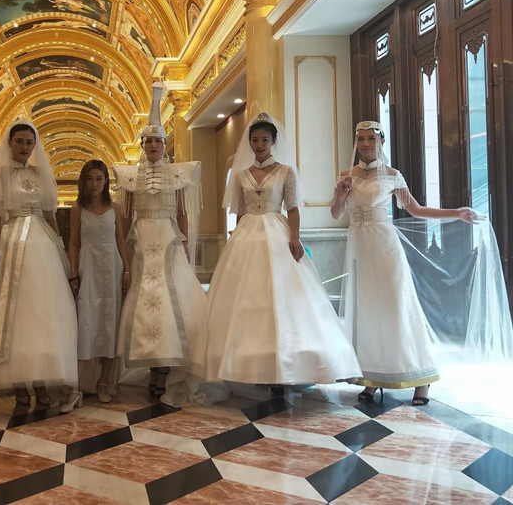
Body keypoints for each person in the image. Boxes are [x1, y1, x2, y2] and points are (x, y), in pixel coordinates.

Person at [206, 113, 361, 390]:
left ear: (274, 141)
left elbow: (292, 208)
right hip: (246, 234)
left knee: (282, 295)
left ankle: (287, 361)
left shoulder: (286, 171)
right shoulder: (241, 175)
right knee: (247, 296)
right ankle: (251, 362)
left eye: (264, 140)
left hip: (277, 232)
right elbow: (240, 211)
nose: (259, 145)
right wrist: (235, 238)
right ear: (249, 143)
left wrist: (295, 237)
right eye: (255, 140)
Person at [331, 120, 480, 406]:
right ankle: (372, 376)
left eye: (371, 139)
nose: (365, 144)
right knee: (367, 312)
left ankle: (421, 378)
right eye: (361, 139)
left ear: (381, 142)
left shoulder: (392, 175)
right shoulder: (345, 175)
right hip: (358, 247)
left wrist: (456, 212)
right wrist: (340, 195)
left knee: (397, 308)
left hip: (385, 246)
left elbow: (416, 209)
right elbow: (337, 213)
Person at [0, 119, 77, 415]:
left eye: (29, 142)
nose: (25, 147)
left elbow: (50, 215)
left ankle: (42, 385)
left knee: (40, 315)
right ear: (10, 143)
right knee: (13, 315)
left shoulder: (41, 174)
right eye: (20, 141)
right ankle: (20, 391)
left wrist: (60, 248)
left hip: (43, 245)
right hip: (11, 242)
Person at [112, 83, 207, 405]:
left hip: (169, 242)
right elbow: (125, 218)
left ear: (165, 145)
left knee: (170, 302)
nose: (153, 145)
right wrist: (124, 256)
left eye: (158, 141)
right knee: (143, 303)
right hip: (141, 243)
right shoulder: (129, 177)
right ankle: (150, 363)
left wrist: (185, 245)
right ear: (142, 145)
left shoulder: (178, 175)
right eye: (148, 141)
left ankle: (165, 367)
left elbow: (182, 213)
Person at [62, 160, 129, 412]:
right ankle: (74, 388)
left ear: (106, 181)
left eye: (99, 178)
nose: (94, 184)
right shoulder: (77, 208)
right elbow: (73, 242)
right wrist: (73, 273)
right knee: (85, 323)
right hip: (88, 267)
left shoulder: (115, 208)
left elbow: (121, 241)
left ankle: (104, 381)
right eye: (89, 179)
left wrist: (127, 269)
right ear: (83, 181)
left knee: (110, 321)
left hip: (112, 268)